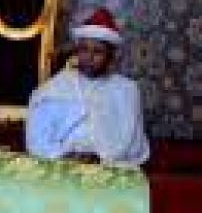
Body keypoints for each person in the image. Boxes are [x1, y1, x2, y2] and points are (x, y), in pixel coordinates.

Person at [26, 8, 150, 167]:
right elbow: (37, 140)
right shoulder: (54, 88)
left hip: (111, 168)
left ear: (110, 56)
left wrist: (100, 158)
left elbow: (132, 144)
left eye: (97, 52)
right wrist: (65, 156)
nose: (89, 57)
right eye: (84, 49)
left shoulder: (126, 90)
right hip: (61, 166)